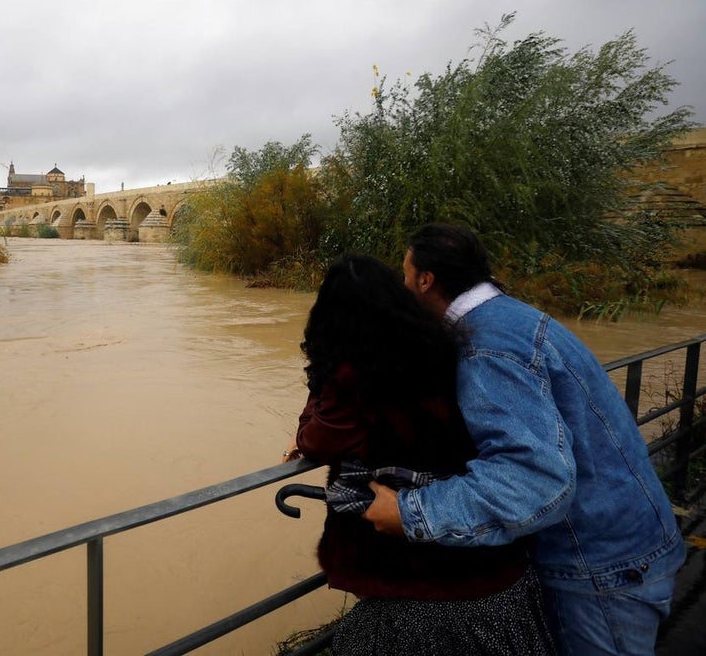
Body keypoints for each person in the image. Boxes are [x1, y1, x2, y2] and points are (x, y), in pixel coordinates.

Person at [363, 223, 685, 655]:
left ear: (425, 280)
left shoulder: (486, 347)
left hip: (600, 568)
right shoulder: (513, 318)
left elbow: (534, 476)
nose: (402, 286)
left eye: (405, 275)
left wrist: (411, 513)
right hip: (628, 542)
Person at [286, 253, 555, 654]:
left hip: (420, 588)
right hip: (497, 572)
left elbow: (315, 441)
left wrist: (321, 375)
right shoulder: (447, 350)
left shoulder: (350, 376)